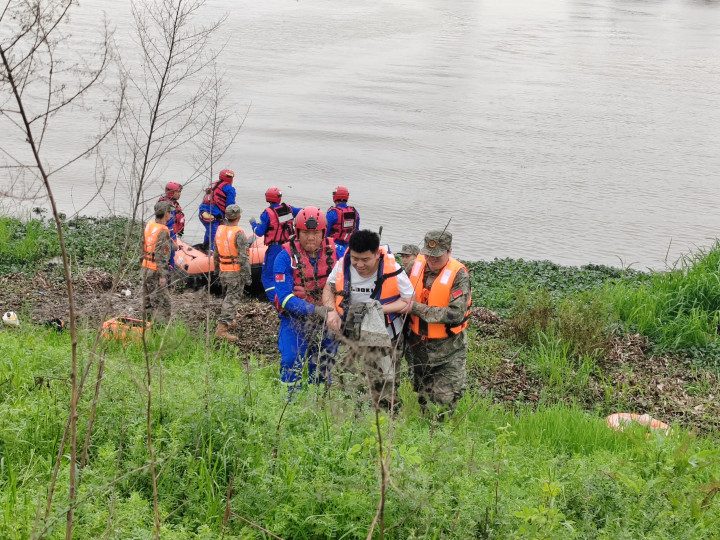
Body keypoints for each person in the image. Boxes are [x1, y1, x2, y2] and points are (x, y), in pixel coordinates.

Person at [322, 230, 414, 408]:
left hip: (386, 337)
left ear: (377, 254)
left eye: (365, 260)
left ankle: (387, 419)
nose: (359, 264)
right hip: (351, 335)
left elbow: (409, 301)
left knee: (385, 387)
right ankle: (355, 417)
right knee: (349, 383)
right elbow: (328, 289)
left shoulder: (393, 269)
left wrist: (377, 310)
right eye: (355, 258)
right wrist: (331, 312)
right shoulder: (343, 265)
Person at [405, 230, 472, 412]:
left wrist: (415, 308)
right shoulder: (414, 267)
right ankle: (424, 428)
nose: (432, 260)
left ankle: (444, 426)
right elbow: (395, 289)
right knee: (423, 397)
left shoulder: (459, 275)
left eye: (437, 256)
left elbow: (455, 314)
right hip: (418, 347)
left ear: (449, 252)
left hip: (449, 349)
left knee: (444, 402)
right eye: (428, 255)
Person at [272, 207, 338, 391]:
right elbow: (284, 298)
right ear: (297, 232)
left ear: (323, 233)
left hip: (326, 321)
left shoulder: (337, 252)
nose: (311, 238)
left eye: (315, 233)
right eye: (306, 233)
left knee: (324, 364)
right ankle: (290, 401)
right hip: (295, 319)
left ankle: (319, 401)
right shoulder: (284, 257)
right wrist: (314, 310)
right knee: (290, 360)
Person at [248, 187, 301, 301]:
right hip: (290, 246)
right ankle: (290, 298)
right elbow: (302, 212)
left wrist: (253, 224)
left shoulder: (267, 213)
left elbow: (259, 232)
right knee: (287, 272)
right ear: (279, 197)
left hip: (275, 248)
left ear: (267, 198)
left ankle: (275, 300)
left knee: (267, 277)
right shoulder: (289, 209)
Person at [214, 204, 251, 342]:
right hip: (234, 272)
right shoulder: (239, 234)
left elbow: (216, 252)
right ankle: (222, 329)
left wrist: (217, 270)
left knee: (227, 297)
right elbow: (243, 257)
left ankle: (229, 320)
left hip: (223, 270)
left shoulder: (219, 230)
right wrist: (247, 276)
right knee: (232, 299)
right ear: (239, 217)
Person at [141, 201, 174, 324]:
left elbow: (142, 247)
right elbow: (162, 256)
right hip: (155, 270)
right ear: (166, 214)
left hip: (145, 268)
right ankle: (160, 328)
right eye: (170, 212)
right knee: (164, 303)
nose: (171, 215)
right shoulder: (163, 231)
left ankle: (146, 325)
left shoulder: (149, 226)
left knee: (147, 301)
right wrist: (163, 275)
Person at [198, 169, 236, 251]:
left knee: (210, 230)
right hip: (214, 215)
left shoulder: (214, 185)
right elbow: (230, 206)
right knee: (215, 234)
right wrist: (232, 218)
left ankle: (205, 246)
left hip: (202, 212)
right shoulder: (229, 189)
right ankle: (212, 251)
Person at [326, 185, 359, 259]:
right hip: (349, 246)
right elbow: (356, 232)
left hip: (334, 246)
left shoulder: (332, 213)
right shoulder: (355, 212)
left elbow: (325, 233)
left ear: (335, 197)